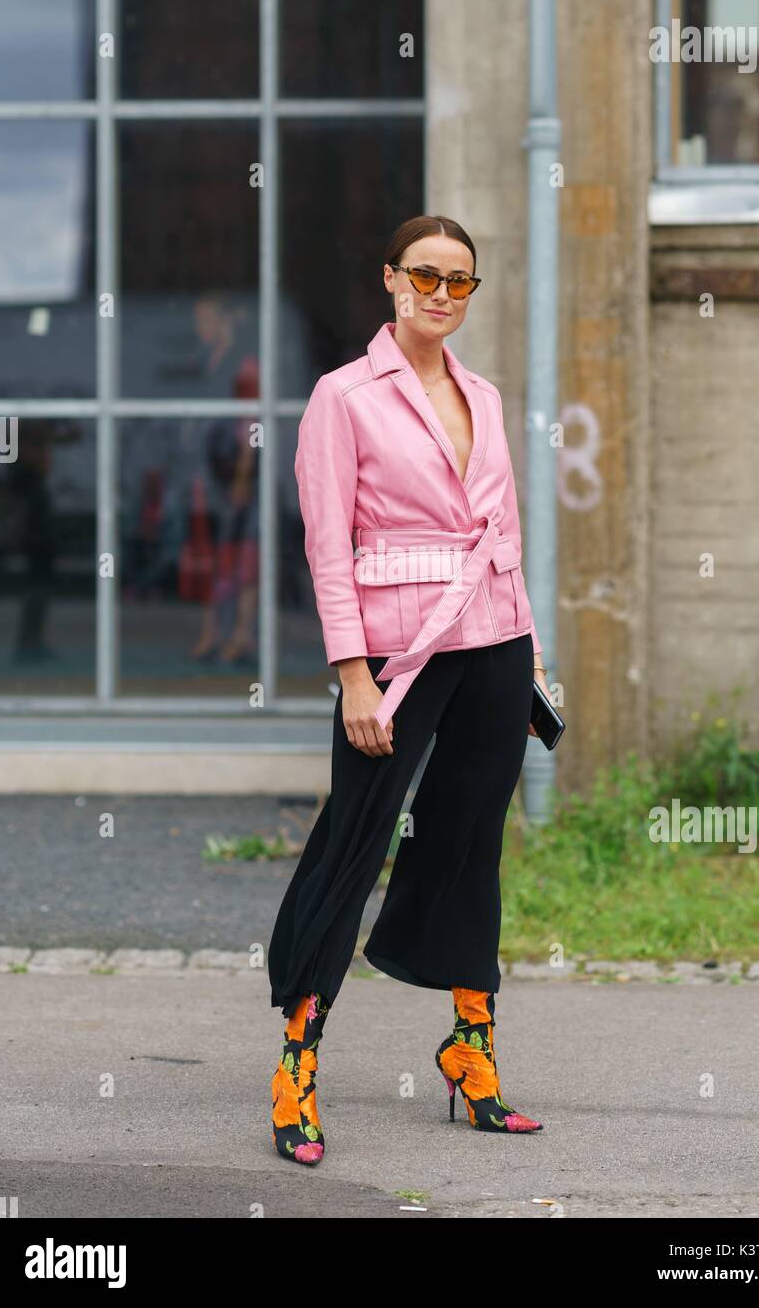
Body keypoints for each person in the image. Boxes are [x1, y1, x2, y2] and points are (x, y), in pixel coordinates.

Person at [268, 214, 551, 1165]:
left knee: (472, 845)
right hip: (394, 655)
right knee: (352, 842)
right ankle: (296, 1064)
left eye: (459, 280)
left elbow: (502, 534)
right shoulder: (342, 398)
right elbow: (326, 544)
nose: (440, 292)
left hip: (495, 639)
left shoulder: (487, 395)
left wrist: (533, 662)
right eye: (424, 274)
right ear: (391, 279)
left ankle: (471, 1053)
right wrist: (352, 674)